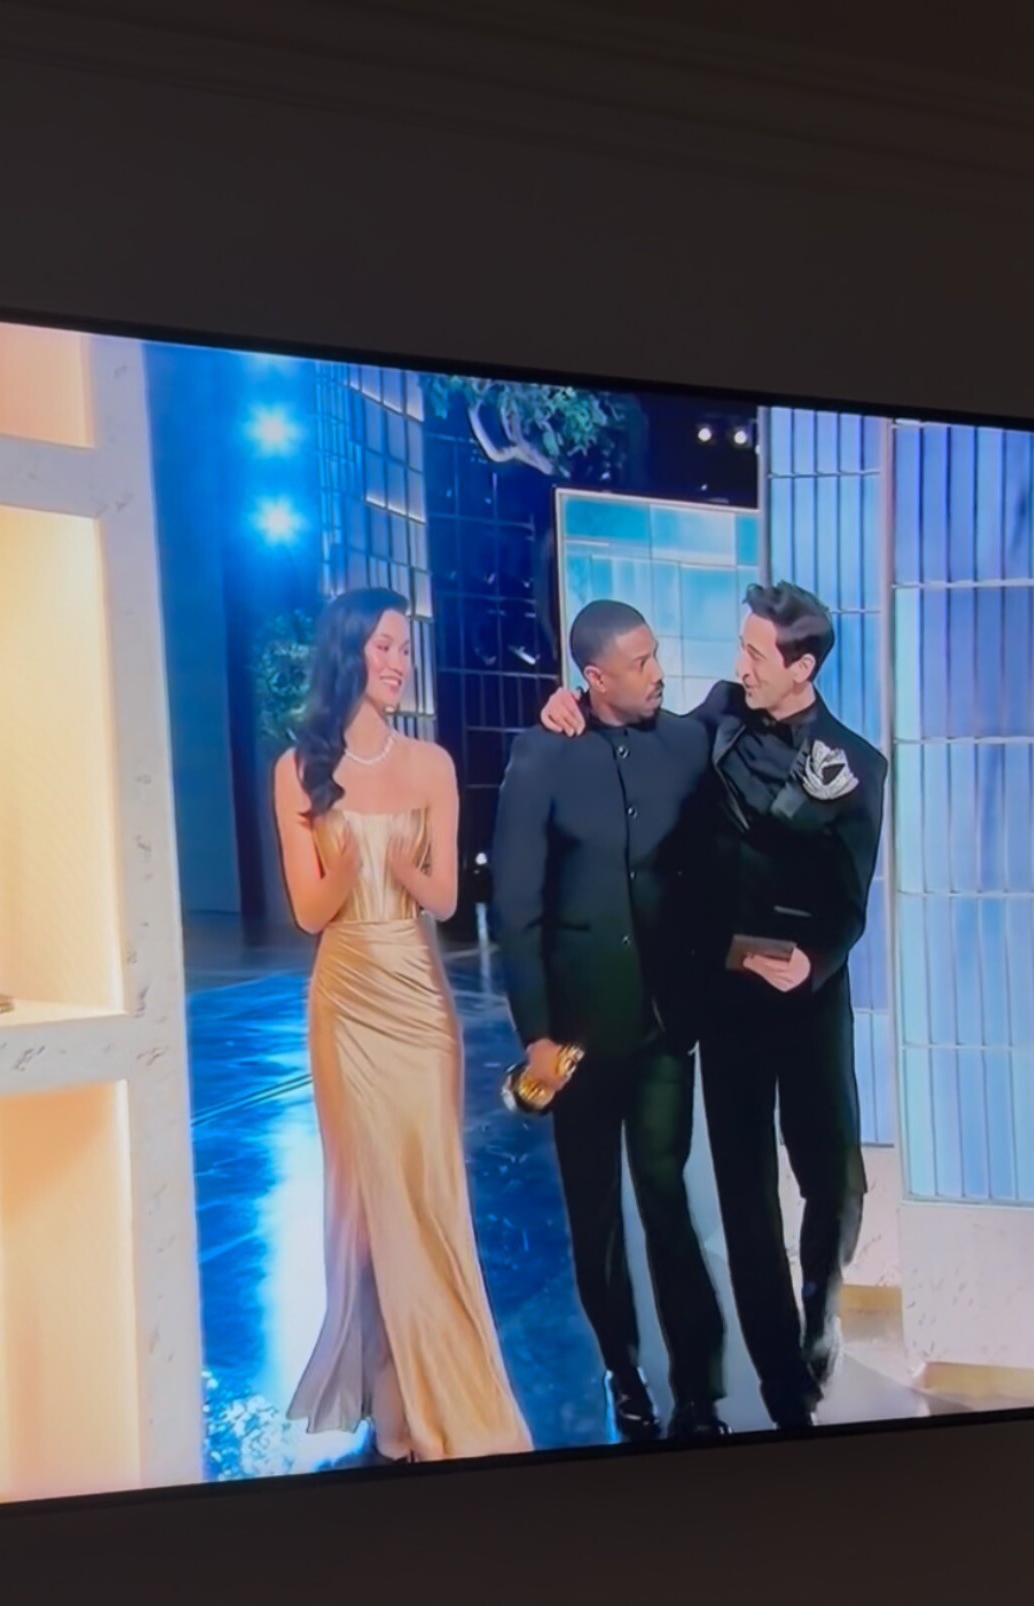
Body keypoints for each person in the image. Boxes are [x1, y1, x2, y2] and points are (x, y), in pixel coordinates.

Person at [541, 581, 887, 1433]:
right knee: (745, 1195)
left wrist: (813, 961)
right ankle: (782, 1380)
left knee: (834, 1181)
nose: (740, 666)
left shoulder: (858, 765)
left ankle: (821, 1302)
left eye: (756, 654)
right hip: (727, 998)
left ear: (803, 668)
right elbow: (643, 736)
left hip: (809, 1001)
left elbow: (851, 905)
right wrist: (573, 705)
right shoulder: (721, 715)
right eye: (741, 648)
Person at [273, 587, 530, 1467]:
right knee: (366, 1203)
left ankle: (447, 1393)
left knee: (427, 1197)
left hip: (418, 1004)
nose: (398, 661)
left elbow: (448, 898)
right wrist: (347, 871)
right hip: (345, 1000)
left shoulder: (430, 764)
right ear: (348, 651)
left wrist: (402, 870)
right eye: (384, 645)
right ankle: (393, 1398)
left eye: (404, 647)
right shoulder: (298, 770)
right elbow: (309, 912)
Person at [491, 598, 727, 1448]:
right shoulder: (543, 755)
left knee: (665, 1196)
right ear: (594, 678)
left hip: (664, 1023)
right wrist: (536, 1036)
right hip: (576, 1036)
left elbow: (739, 703)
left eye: (656, 655)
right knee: (594, 1215)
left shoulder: (688, 742)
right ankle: (623, 1378)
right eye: (640, 662)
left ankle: (699, 1392)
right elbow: (515, 906)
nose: (658, 673)